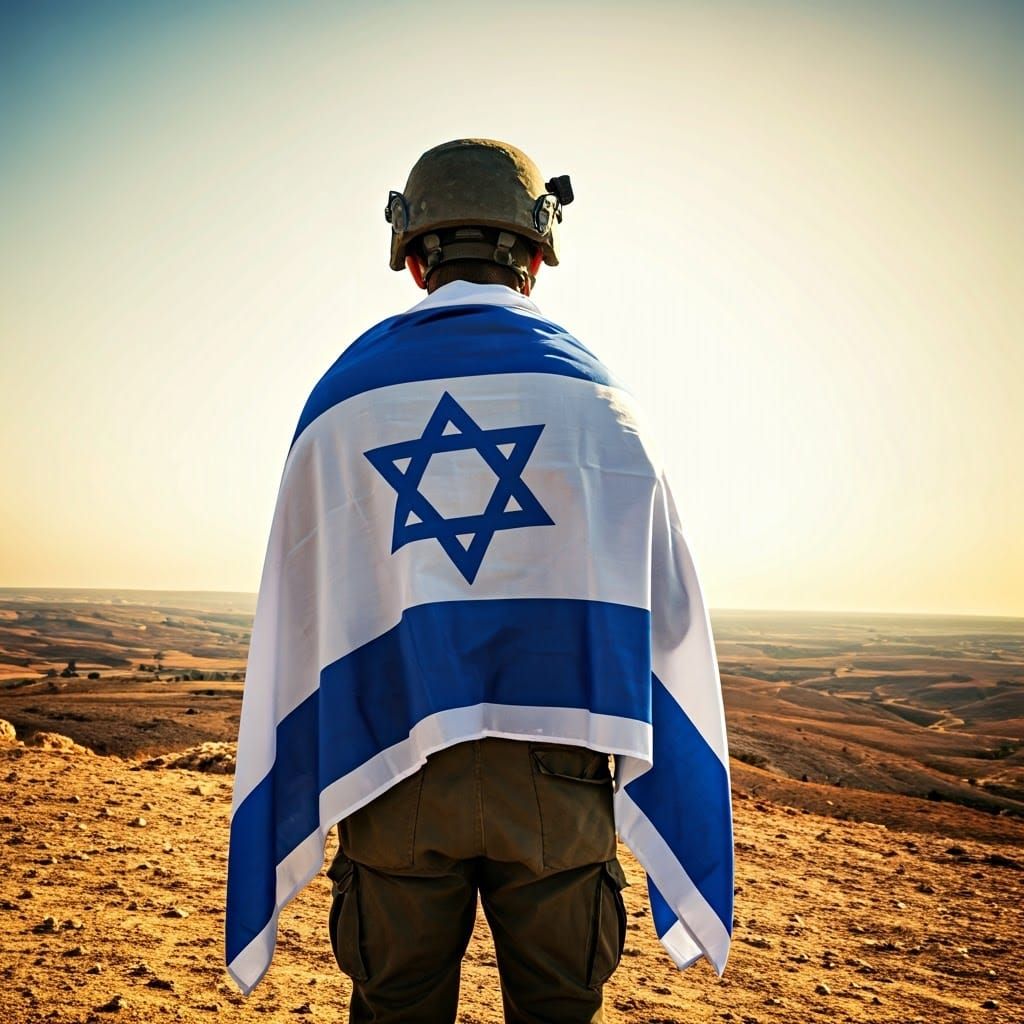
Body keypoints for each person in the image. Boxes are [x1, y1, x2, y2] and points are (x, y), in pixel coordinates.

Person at [226, 139, 733, 1024]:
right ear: (536, 256)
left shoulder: (340, 404)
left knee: (396, 1009)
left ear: (413, 258)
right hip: (562, 774)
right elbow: (671, 620)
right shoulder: (604, 406)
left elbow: (301, 608)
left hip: (390, 765)